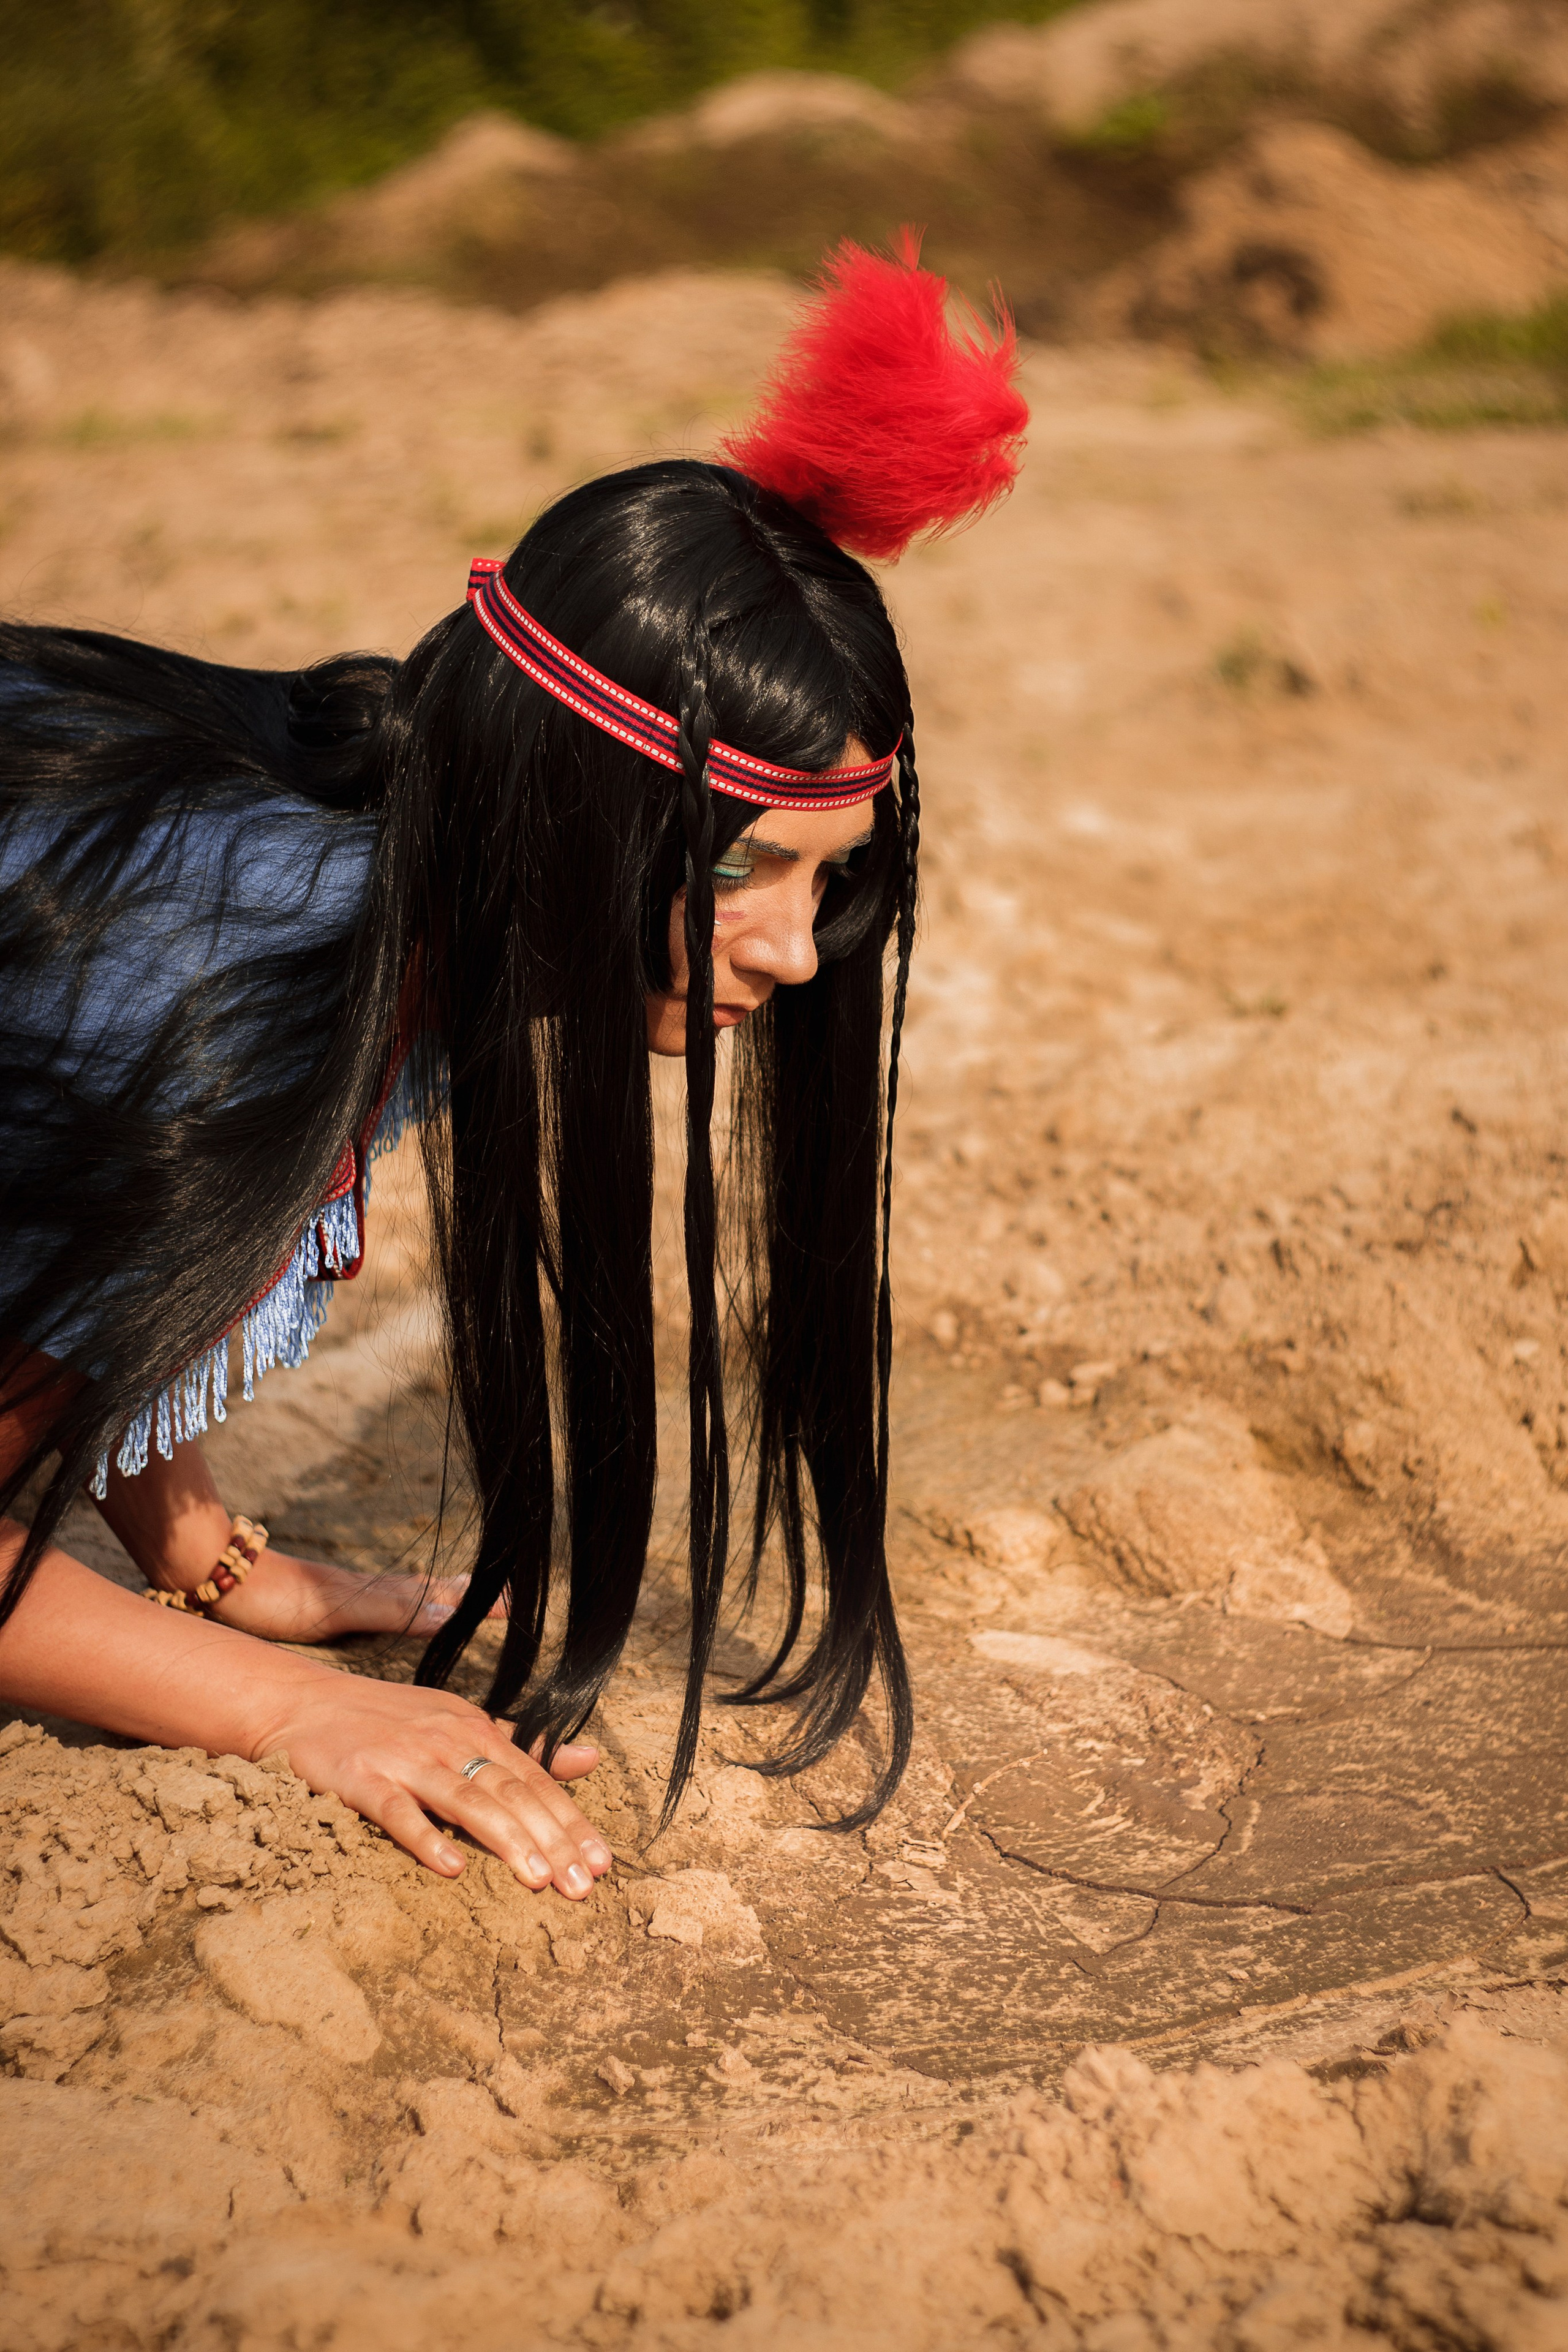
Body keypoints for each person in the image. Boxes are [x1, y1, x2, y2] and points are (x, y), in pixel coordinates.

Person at [0, 236, 1027, 1899]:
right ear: (581, 811)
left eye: (832, 881)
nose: (791, 946)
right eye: (741, 870)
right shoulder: (226, 993)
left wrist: (191, 1549)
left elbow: (74, 1266)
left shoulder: (402, 871)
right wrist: (292, 1711)